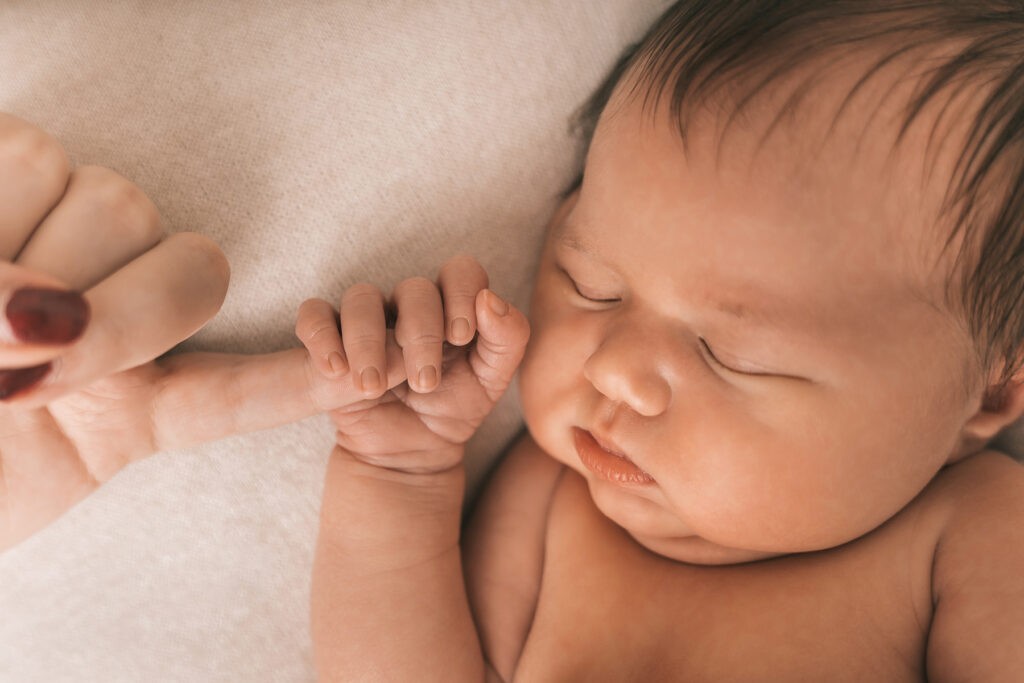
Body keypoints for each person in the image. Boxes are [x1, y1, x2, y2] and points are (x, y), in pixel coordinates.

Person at [1, 1, 1022, 680]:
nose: (613, 367)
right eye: (589, 280)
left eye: (734, 353)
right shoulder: (554, 498)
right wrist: (399, 472)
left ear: (983, 396)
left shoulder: (972, 533)